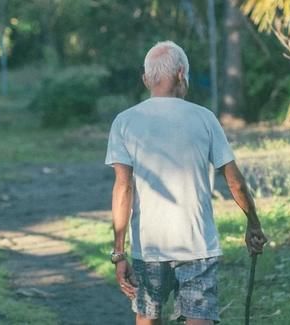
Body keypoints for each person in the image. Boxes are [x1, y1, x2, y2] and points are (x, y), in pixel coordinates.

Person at [105, 40, 267, 325]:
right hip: (197, 246)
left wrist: (119, 253)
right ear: (181, 74)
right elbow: (235, 183)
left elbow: (123, 189)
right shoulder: (205, 118)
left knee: (146, 317)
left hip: (149, 247)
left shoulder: (124, 122)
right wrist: (253, 222)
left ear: (146, 79)